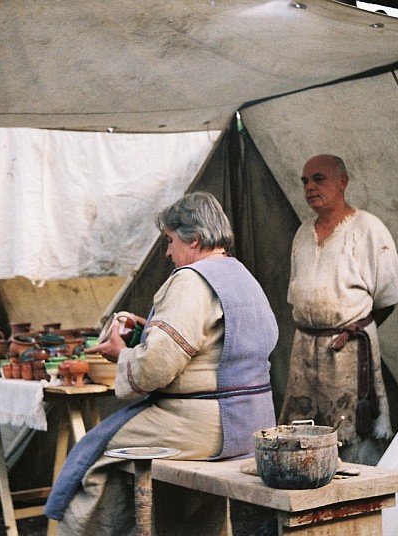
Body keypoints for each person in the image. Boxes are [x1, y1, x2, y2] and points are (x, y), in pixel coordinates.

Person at [45, 191, 278, 535]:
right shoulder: (241, 275)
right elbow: (211, 346)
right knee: (170, 486)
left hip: (207, 427)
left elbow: (155, 368)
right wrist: (151, 331)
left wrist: (122, 354)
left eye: (170, 240)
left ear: (193, 238)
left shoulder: (191, 279)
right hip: (254, 424)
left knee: (96, 452)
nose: (167, 252)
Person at [279, 154, 398, 466]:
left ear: (343, 182)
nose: (309, 187)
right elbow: (298, 296)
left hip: (348, 351)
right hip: (305, 351)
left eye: (318, 179)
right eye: (305, 181)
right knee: (302, 437)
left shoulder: (368, 228)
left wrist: (353, 331)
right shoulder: (303, 233)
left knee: (351, 438)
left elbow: (388, 299)